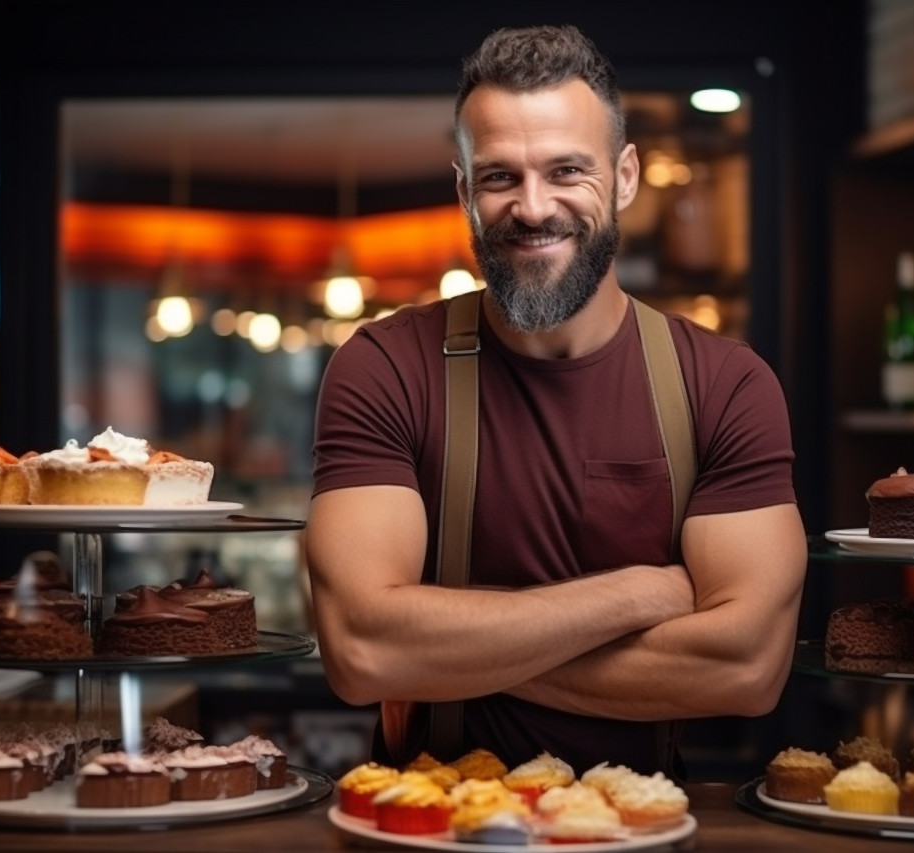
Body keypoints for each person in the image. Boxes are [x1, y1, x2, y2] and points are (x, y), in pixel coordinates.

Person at [305, 23, 807, 776]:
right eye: (500, 176)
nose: (533, 207)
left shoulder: (726, 385)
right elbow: (363, 650)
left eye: (567, 170)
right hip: (432, 824)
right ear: (464, 189)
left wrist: (442, 650)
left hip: (645, 824)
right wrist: (639, 595)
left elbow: (747, 667)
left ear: (626, 174)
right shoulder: (384, 367)